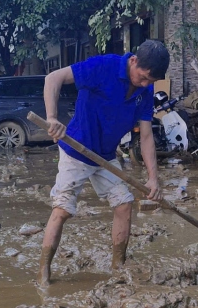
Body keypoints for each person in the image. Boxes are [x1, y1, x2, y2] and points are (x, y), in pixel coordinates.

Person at [38, 39, 169, 287]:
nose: (145, 84)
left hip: (106, 156)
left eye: (150, 81)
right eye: (143, 78)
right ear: (133, 61)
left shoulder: (146, 89)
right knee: (63, 210)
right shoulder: (102, 67)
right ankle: (43, 272)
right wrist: (52, 118)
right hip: (76, 151)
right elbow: (52, 78)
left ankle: (117, 266)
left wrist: (153, 178)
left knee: (124, 204)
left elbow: (147, 135)